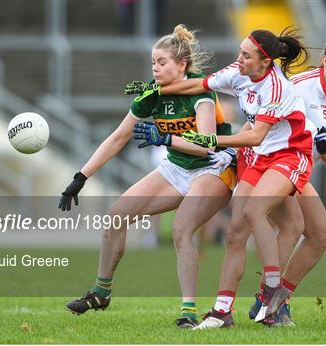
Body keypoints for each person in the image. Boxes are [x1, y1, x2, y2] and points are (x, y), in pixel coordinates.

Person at [126, 27, 313, 328]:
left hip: (287, 155)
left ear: (265, 62)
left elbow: (254, 136)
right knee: (235, 233)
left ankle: (273, 290)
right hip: (256, 156)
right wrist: (157, 90)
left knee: (255, 211)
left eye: (246, 55)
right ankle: (222, 312)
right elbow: (197, 85)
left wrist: (210, 141)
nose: (239, 59)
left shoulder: (277, 89)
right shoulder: (238, 71)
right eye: (240, 51)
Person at [59, 24, 236, 329]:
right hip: (176, 168)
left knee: (181, 229)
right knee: (117, 215)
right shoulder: (152, 94)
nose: (155, 68)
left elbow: (207, 145)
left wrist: (165, 139)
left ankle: (188, 311)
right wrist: (81, 176)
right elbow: (118, 137)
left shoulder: (200, 91)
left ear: (182, 65)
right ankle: (101, 291)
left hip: (213, 168)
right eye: (153, 62)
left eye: (162, 62)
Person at [247, 33, 326, 326]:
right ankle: (267, 301)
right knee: (293, 228)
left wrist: (325, 147)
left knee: (321, 234)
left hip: (297, 170)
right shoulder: (300, 85)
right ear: (325, 61)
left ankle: (276, 300)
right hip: (272, 161)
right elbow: (258, 115)